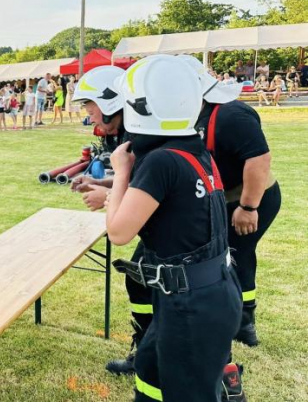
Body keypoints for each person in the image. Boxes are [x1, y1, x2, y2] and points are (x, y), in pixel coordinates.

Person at [107, 55, 243, 401]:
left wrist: (121, 170)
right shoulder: (194, 151)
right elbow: (173, 206)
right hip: (209, 292)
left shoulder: (159, 161)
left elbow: (119, 233)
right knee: (151, 368)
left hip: (190, 304)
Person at [183, 55, 282, 350]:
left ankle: (242, 322)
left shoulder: (230, 114)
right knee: (237, 254)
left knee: (235, 255)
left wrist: (248, 207)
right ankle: (242, 322)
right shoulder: (195, 113)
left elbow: (260, 158)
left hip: (251, 197)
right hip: (225, 198)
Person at [69, 66, 154, 376]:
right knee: (139, 281)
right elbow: (130, 180)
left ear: (109, 101)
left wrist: (105, 198)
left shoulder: (140, 137)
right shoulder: (129, 131)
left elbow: (144, 191)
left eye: (89, 106)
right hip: (157, 225)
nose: (89, 115)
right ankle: (146, 348)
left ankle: (149, 352)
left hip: (169, 229)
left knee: (148, 285)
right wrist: (98, 184)